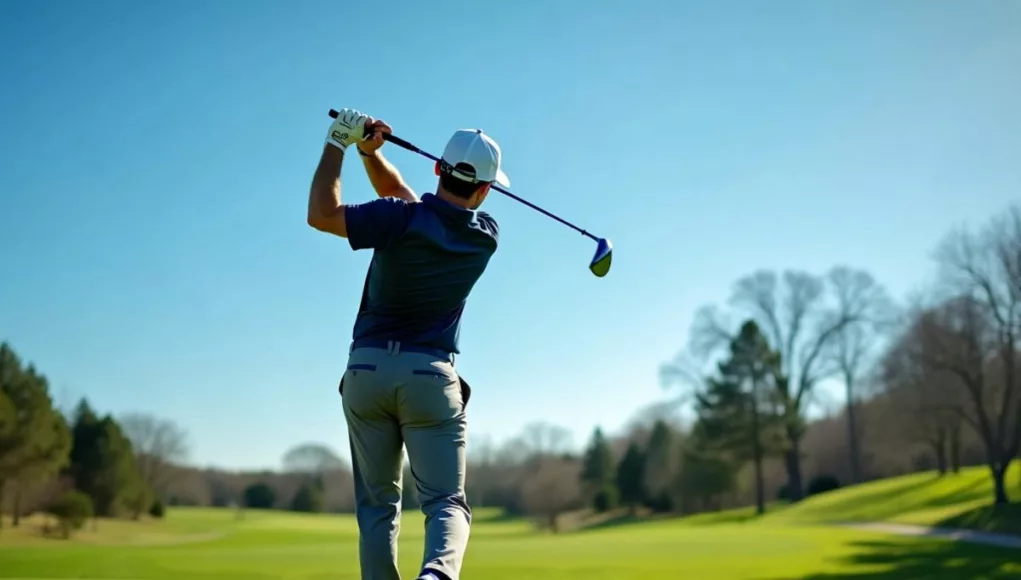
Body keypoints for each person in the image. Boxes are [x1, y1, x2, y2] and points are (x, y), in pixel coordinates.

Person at [306, 108, 508, 580]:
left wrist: (339, 143)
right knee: (445, 503)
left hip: (366, 374)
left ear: (437, 168)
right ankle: (436, 575)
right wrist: (368, 154)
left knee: (377, 505)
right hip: (429, 378)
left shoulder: (400, 219)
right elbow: (413, 207)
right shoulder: (485, 237)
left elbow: (322, 215)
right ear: (485, 190)